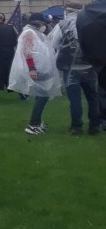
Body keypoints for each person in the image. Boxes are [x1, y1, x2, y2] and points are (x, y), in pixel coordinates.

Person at [9, 13, 62, 135]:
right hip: (36, 69)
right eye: (43, 23)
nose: (44, 26)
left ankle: (36, 122)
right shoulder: (29, 33)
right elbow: (27, 51)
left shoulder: (36, 33)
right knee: (42, 96)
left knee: (42, 96)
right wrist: (32, 68)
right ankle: (33, 124)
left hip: (41, 68)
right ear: (37, 22)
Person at [51, 7, 102, 135]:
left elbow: (55, 43)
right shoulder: (93, 22)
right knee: (93, 98)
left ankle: (76, 127)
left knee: (75, 100)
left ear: (68, 11)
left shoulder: (63, 24)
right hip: (90, 66)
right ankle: (95, 126)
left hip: (71, 68)